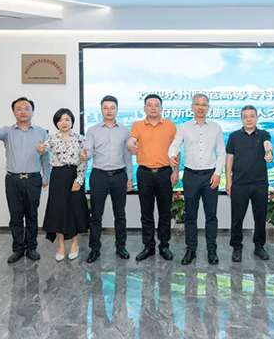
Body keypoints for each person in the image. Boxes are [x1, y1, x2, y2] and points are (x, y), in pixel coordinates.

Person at [0, 97, 50, 264]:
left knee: (32, 215)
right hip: (13, 180)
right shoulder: (8, 132)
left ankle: (31, 247)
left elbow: (46, 157)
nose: (23, 112)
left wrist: (46, 176)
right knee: (15, 215)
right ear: (14, 112)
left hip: (33, 179)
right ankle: (18, 249)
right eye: (19, 109)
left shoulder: (41, 132)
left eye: (26, 108)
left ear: (32, 111)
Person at [168, 93, 226, 265]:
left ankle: (212, 250)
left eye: (204, 104)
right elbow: (175, 144)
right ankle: (190, 249)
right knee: (190, 216)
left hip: (210, 176)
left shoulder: (216, 128)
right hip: (190, 176)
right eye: (197, 104)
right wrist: (172, 155)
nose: (201, 107)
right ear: (192, 107)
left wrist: (218, 173)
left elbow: (221, 152)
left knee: (211, 215)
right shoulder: (184, 127)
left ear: (208, 108)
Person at [126, 94, 180, 262]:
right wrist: (130, 143)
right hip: (144, 174)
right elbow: (132, 139)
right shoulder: (137, 125)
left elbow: (176, 149)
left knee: (165, 213)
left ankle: (164, 246)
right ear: (144, 108)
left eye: (157, 105)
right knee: (146, 213)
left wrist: (176, 171)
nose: (153, 108)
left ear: (161, 108)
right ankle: (148, 246)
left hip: (165, 173)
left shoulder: (170, 125)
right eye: (150, 105)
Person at [80, 95, 133, 263]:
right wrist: (85, 155)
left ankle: (121, 247)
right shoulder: (93, 130)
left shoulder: (124, 130)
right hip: (99, 176)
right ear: (101, 110)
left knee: (120, 214)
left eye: (112, 108)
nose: (109, 111)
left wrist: (129, 177)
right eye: (105, 108)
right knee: (96, 215)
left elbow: (127, 156)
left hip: (119, 175)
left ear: (117, 110)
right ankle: (94, 249)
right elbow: (88, 150)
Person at [37, 108, 89, 261]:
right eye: (60, 120)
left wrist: (79, 180)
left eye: (67, 119)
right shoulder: (52, 139)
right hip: (58, 177)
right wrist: (40, 149)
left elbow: (83, 161)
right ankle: (61, 246)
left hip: (74, 175)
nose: (64, 123)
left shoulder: (80, 139)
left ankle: (74, 244)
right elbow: (43, 149)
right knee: (58, 211)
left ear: (72, 121)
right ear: (56, 123)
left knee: (74, 210)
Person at [225, 105, 273, 262]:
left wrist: (269, 152)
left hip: (260, 183)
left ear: (256, 118)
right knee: (237, 218)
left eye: (252, 116)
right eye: (245, 117)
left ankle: (259, 246)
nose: (249, 119)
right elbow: (229, 158)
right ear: (241, 119)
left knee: (260, 217)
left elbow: (267, 144)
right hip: (239, 183)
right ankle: (236, 247)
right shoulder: (234, 136)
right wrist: (228, 180)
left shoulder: (263, 134)